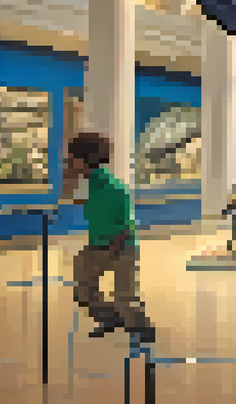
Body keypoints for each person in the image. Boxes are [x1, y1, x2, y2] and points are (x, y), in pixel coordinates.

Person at [64, 131, 155, 343]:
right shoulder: (89, 184)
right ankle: (110, 318)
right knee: (83, 290)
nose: (68, 161)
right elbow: (82, 200)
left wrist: (111, 252)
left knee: (124, 294)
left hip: (121, 246)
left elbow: (125, 226)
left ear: (84, 159)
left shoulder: (115, 188)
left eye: (72, 157)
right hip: (96, 245)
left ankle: (142, 329)